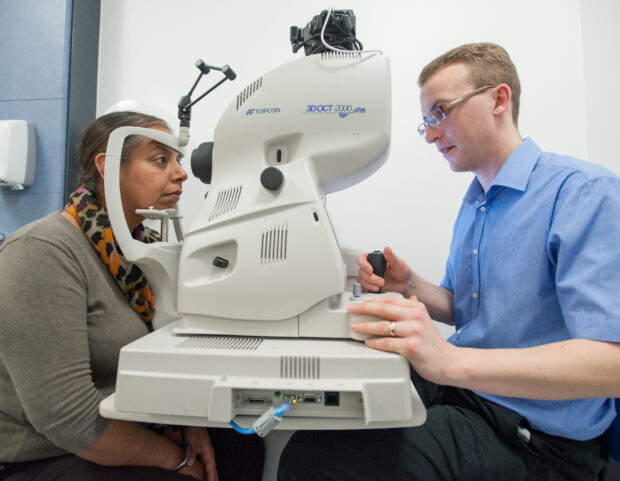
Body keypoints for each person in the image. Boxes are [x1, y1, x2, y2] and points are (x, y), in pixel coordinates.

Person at [278, 43, 620, 481]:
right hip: (470, 392)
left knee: (312, 461)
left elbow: (610, 362)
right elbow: (468, 307)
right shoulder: (477, 200)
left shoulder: (582, 193)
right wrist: (411, 287)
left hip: (539, 438)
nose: (430, 134)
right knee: (333, 402)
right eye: (426, 120)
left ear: (499, 99)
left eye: (441, 112)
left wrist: (450, 362)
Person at [0, 111, 264, 481]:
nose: (181, 173)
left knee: (243, 445)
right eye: (161, 160)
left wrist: (191, 426)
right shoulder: (42, 251)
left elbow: (169, 357)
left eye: (178, 160)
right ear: (108, 167)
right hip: (50, 452)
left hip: (138, 427)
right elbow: (66, 418)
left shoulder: (146, 249)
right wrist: (174, 457)